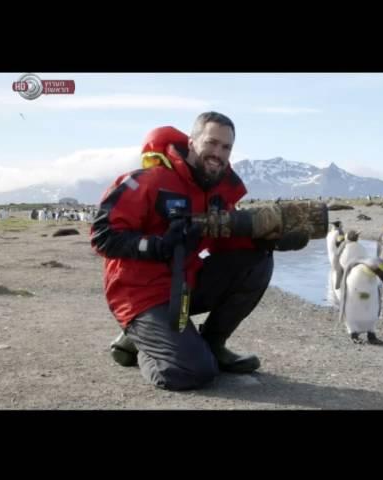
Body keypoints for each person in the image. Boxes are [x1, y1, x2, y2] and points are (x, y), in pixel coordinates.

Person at [91, 111, 295, 391]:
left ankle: (212, 343)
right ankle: (144, 342)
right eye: (211, 143)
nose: (218, 153)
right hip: (141, 293)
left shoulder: (217, 191)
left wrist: (267, 240)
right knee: (192, 372)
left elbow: (226, 243)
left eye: (226, 147)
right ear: (192, 141)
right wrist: (156, 245)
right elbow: (103, 235)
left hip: (184, 284)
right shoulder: (149, 181)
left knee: (256, 260)